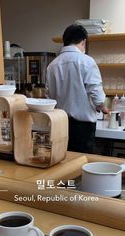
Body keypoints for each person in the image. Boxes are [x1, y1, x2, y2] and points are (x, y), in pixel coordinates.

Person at [46, 24, 109, 153]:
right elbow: (95, 89)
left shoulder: (52, 65)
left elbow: (49, 95)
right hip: (82, 128)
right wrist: (102, 106)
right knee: (81, 165)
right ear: (84, 41)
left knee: (62, 162)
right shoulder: (87, 61)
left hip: (59, 123)